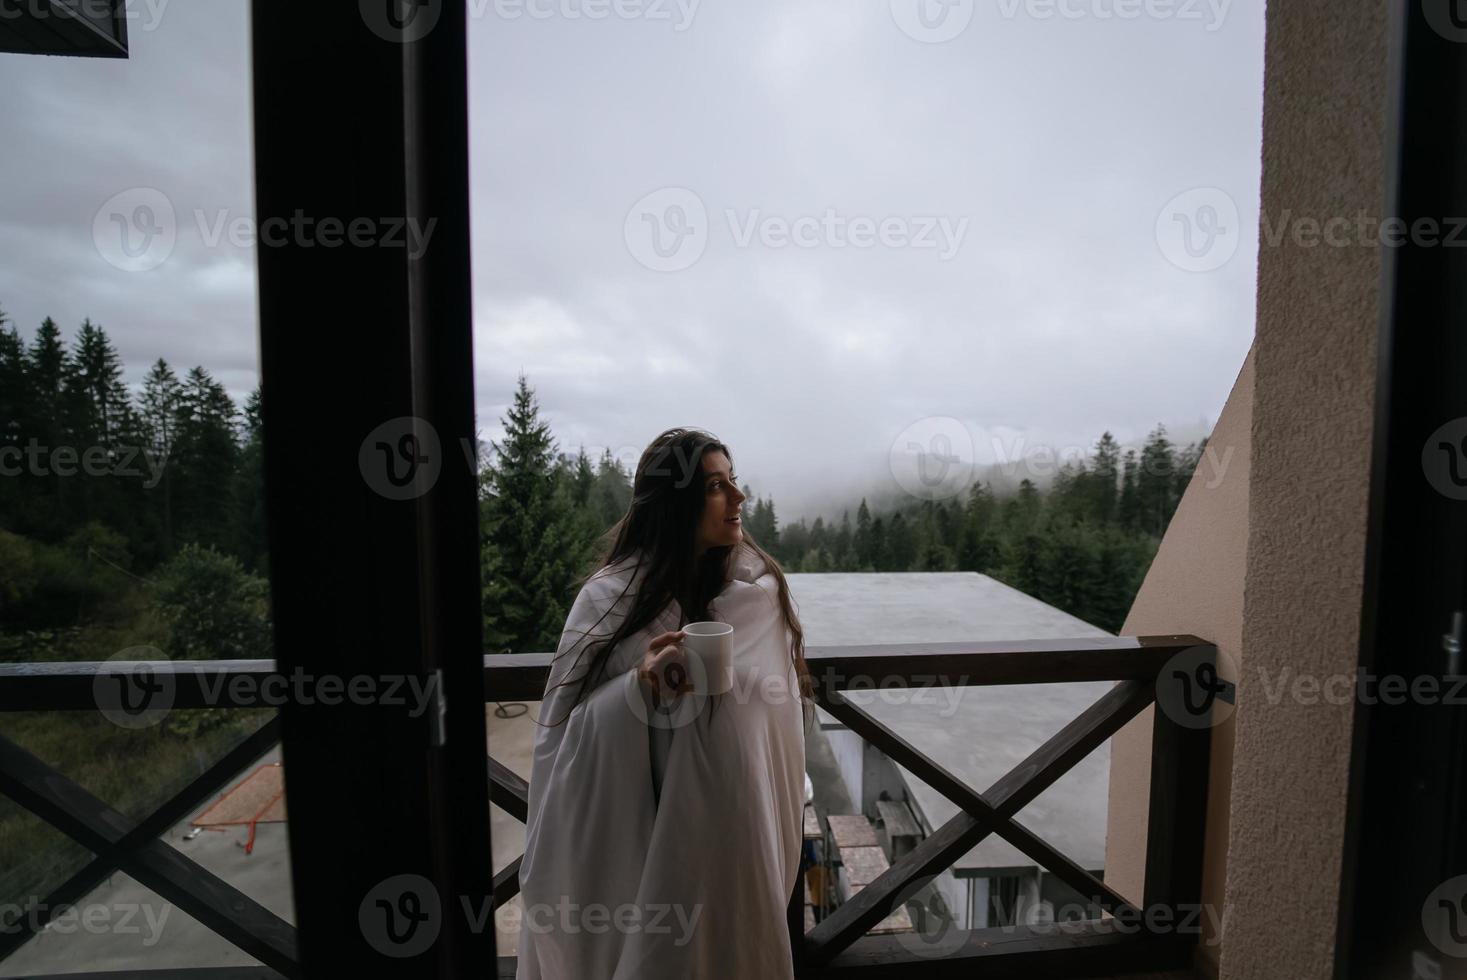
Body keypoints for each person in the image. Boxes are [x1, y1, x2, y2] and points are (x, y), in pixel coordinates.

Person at [515, 427, 817, 980]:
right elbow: (561, 740)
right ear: (675, 504)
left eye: (734, 480)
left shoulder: (760, 600)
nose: (738, 497)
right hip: (643, 860)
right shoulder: (607, 600)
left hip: (734, 850)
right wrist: (637, 690)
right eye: (716, 487)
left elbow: (774, 727)